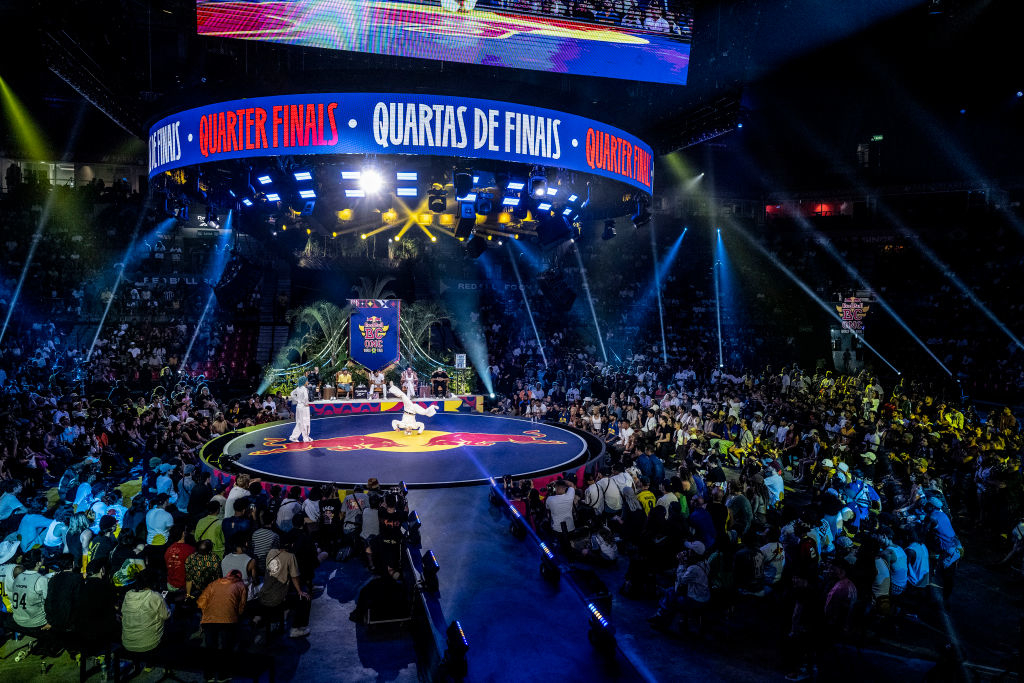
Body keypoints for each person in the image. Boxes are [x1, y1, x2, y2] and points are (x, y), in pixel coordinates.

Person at [197, 568, 247, 680]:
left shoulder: (214, 583)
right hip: (228, 620)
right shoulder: (241, 585)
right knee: (226, 647)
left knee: (210, 647)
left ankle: (209, 676)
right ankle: (222, 676)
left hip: (210, 619)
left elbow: (201, 602)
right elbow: (241, 607)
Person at [121, 570, 171, 655]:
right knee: (167, 612)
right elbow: (166, 615)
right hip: (148, 644)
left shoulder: (128, 594)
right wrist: (163, 602)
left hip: (127, 643)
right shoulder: (154, 596)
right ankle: (152, 664)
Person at [288, 376, 311, 442]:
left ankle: (294, 437)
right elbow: (306, 397)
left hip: (298, 406)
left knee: (299, 422)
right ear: (304, 381)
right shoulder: (304, 389)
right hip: (304, 407)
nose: (307, 382)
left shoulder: (298, 388)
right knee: (305, 422)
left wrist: (298, 400)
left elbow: (292, 393)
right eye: (306, 381)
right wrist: (304, 402)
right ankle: (306, 438)